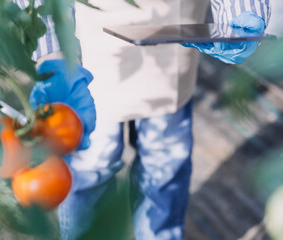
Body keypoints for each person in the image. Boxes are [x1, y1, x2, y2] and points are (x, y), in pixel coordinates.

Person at [15, 0, 271, 239]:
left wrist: (241, 12)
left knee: (164, 164)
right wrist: (52, 49)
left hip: (173, 32)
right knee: (90, 164)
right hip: (86, 36)